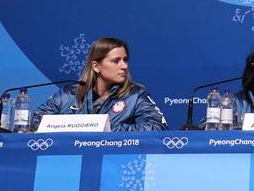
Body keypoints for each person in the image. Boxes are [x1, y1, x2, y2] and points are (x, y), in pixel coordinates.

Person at [31, 37, 168, 131]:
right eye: (116, 61)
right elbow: (35, 122)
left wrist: (107, 128)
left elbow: (158, 127)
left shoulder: (135, 95)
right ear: (96, 66)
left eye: (125, 60)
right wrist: (78, 127)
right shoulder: (68, 94)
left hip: (114, 163)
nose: (124, 66)